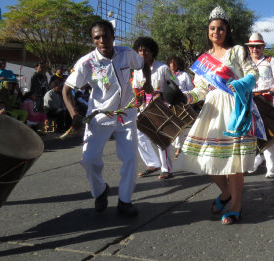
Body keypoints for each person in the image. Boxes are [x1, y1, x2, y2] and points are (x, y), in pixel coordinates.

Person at [170, 6, 259, 225]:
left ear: (227, 30)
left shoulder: (237, 51)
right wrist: (183, 98)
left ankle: (236, 204)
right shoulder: (203, 60)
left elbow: (252, 73)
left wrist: (237, 84)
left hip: (235, 107)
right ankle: (226, 192)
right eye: (212, 28)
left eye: (220, 28)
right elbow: (200, 90)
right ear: (208, 31)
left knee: (233, 161)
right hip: (212, 109)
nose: (216, 32)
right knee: (204, 157)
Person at [63, 20, 153, 217]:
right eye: (97, 37)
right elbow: (67, 89)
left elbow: (143, 64)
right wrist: (74, 114)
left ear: (113, 35)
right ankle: (100, 190)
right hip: (99, 117)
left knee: (129, 158)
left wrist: (148, 83)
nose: (102, 40)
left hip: (126, 114)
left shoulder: (126, 53)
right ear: (93, 40)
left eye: (106, 35)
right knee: (88, 160)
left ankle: (125, 201)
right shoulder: (86, 63)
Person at [132, 37, 178, 179]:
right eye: (139, 50)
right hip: (143, 107)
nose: (142, 53)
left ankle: (166, 169)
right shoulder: (137, 70)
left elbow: (175, 86)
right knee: (139, 136)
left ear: (152, 51)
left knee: (161, 138)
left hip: (161, 106)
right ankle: (152, 163)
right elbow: (136, 89)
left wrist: (162, 95)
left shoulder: (163, 68)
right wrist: (136, 101)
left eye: (146, 50)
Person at [246, 32, 274, 178]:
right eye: (252, 47)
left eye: (258, 46)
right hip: (250, 100)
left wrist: (273, 90)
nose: (255, 49)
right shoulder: (245, 62)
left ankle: (272, 168)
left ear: (263, 47)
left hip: (267, 99)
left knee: (269, 135)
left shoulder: (271, 61)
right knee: (251, 134)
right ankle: (256, 159)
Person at [166, 55, 194, 158]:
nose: (173, 64)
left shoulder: (184, 75)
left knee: (180, 126)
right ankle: (178, 145)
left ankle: (179, 148)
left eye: (175, 62)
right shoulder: (166, 75)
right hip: (168, 105)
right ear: (168, 64)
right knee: (172, 126)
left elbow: (190, 89)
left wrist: (183, 95)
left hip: (181, 104)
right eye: (171, 63)